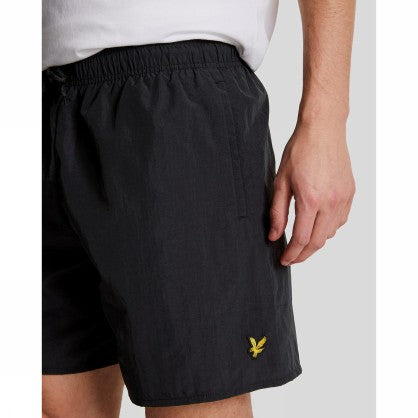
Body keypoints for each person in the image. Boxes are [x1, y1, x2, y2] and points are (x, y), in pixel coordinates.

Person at [42, 0, 356, 417]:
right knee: (49, 395)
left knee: (200, 398)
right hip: (42, 87)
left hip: (177, 97)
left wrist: (326, 121)